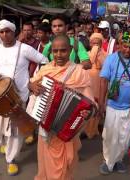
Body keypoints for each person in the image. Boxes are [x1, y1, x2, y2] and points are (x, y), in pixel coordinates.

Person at [0, 19, 48, 176]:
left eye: (8, 31)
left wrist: (32, 82)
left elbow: (44, 61)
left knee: (14, 130)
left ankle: (11, 159)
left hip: (18, 95)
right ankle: (2, 143)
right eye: (1, 32)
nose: (5, 35)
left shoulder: (24, 49)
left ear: (14, 32)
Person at [29, 34, 94, 180]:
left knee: (66, 165)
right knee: (46, 165)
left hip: (67, 129)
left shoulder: (80, 72)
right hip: (46, 129)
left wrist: (86, 113)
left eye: (63, 50)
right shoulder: (45, 70)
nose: (58, 54)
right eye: (55, 51)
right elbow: (31, 83)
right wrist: (32, 86)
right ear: (51, 51)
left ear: (71, 50)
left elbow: (90, 104)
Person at [98, 31, 130, 174]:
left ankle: (118, 159)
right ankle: (108, 161)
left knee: (125, 137)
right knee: (109, 135)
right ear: (119, 45)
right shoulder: (111, 59)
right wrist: (101, 103)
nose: (127, 50)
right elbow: (104, 81)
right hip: (113, 105)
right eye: (124, 46)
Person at [84, 33, 107, 139]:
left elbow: (105, 66)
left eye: (97, 43)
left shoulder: (105, 55)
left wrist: (99, 54)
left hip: (100, 82)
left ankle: (93, 129)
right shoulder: (86, 54)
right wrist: (93, 52)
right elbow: (88, 63)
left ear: (101, 44)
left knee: (97, 104)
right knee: (88, 104)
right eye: (93, 43)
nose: (95, 45)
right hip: (89, 82)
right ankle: (85, 129)